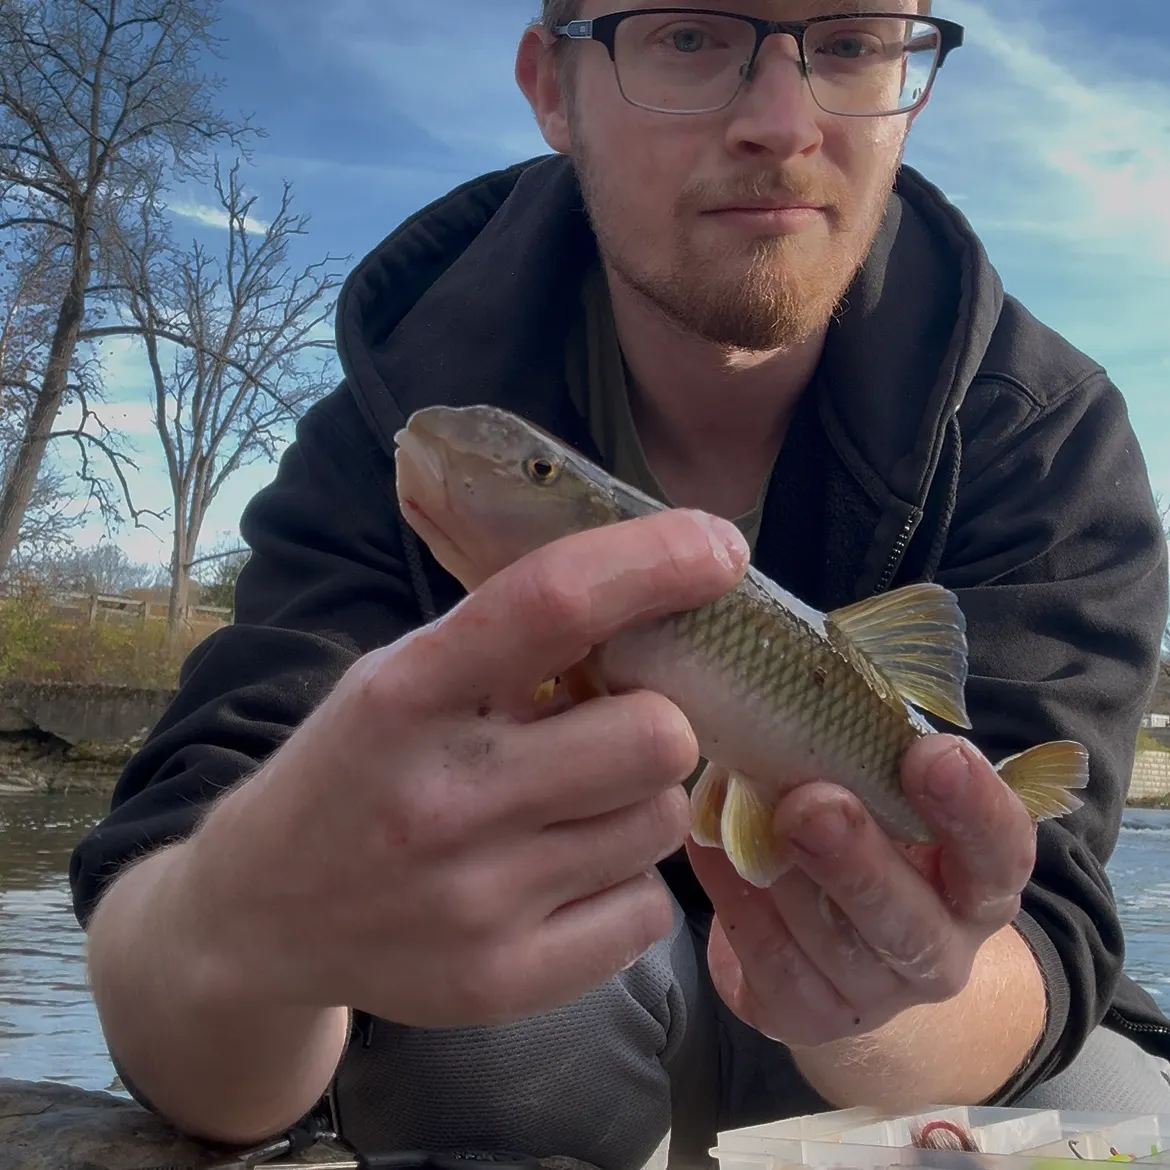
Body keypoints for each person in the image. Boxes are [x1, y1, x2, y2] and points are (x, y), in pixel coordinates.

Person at [69, 4, 1170, 1170]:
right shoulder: (403, 431)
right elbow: (181, 865)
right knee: (482, 1039)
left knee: (1119, 1102)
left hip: (912, 1057)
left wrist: (886, 987)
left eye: (849, 42)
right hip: (546, 1036)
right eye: (691, 36)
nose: (782, 124)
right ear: (555, 87)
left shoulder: (1049, 437)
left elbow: (1047, 935)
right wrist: (248, 927)